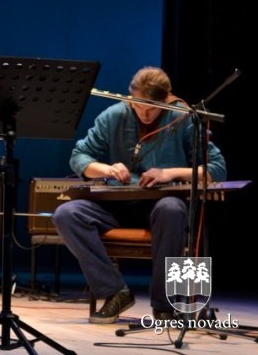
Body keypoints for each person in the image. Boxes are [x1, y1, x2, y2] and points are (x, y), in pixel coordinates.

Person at [52, 66, 226, 324]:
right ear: (130, 97)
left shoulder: (182, 118)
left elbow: (217, 168)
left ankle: (165, 304)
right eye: (138, 106)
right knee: (66, 214)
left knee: (172, 209)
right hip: (117, 205)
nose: (144, 114)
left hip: (161, 206)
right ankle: (115, 292)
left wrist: (168, 173)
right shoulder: (114, 115)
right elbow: (79, 157)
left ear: (166, 100)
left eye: (151, 109)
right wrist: (107, 169)